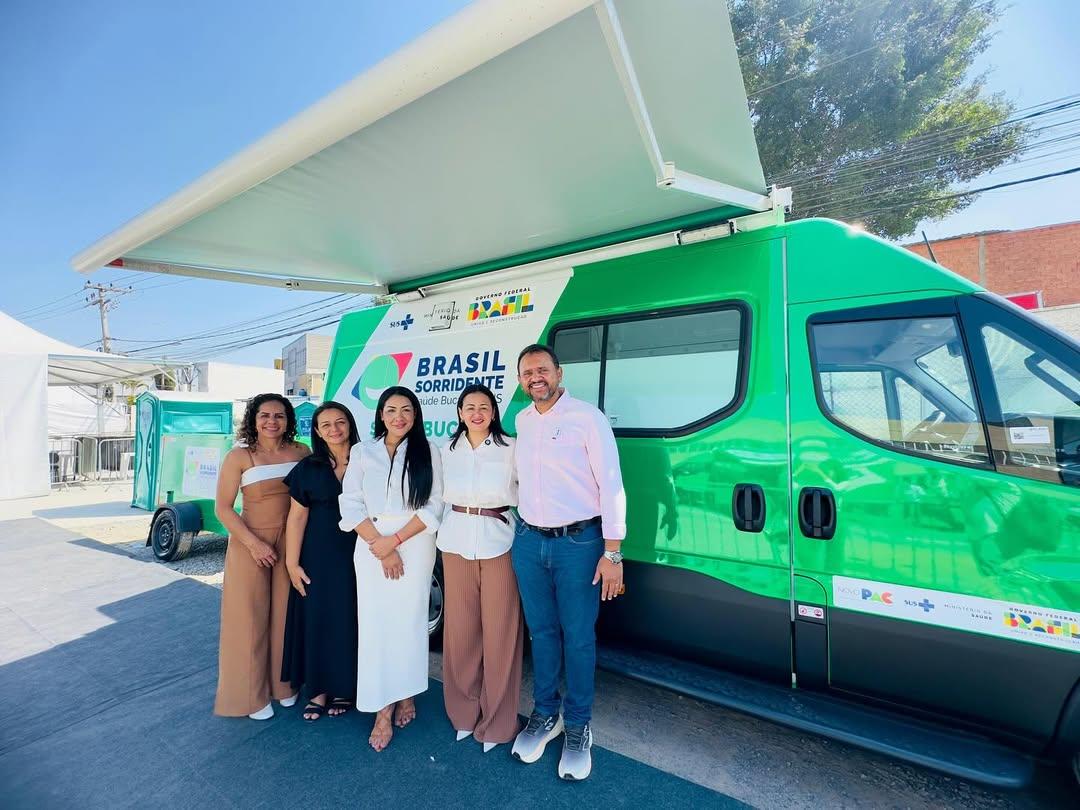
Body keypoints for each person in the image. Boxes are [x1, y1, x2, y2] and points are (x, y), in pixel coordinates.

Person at [510, 344, 626, 781]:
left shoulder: (587, 418)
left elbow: (611, 485)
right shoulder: (523, 420)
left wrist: (612, 553)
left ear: (559, 373)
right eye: (527, 372)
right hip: (528, 541)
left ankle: (578, 725)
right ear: (521, 381)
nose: (535, 377)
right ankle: (546, 714)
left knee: (578, 638)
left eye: (542, 369)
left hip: (578, 544)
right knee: (541, 633)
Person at [338, 386, 443, 752]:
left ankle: (407, 693)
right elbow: (350, 503)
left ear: (416, 415)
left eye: (406, 410)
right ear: (381, 414)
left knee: (410, 624)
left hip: (414, 543)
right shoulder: (362, 451)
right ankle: (382, 709)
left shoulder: (429, 450)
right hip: (371, 544)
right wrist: (380, 546)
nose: (399, 417)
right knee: (376, 627)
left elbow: (434, 505)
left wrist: (395, 542)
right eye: (391, 410)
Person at [213, 393, 310, 719]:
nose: (272, 421)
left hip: (292, 542)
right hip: (250, 543)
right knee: (249, 620)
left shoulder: (301, 452)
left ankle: (284, 686)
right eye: (265, 415)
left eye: (279, 415)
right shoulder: (239, 456)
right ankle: (251, 698)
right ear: (253, 420)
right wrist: (254, 544)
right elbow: (223, 509)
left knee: (286, 616)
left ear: (288, 420)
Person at [438, 384, 523, 753]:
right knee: (460, 633)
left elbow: (527, 491)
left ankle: (498, 721)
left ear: (493, 412)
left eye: (484, 406)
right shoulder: (445, 450)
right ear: (459, 412)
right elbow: (434, 499)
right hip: (455, 543)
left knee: (501, 634)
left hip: (499, 543)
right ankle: (463, 714)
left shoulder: (511, 448)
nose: (477, 413)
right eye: (469, 407)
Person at [281, 402, 361, 721]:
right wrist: (291, 563)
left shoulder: (368, 460)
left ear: (350, 423)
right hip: (317, 555)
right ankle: (317, 690)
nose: (334, 429)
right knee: (317, 618)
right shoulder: (308, 468)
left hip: (360, 552)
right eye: (325, 425)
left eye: (340, 422)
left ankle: (344, 686)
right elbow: (296, 518)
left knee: (349, 618)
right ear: (316, 431)